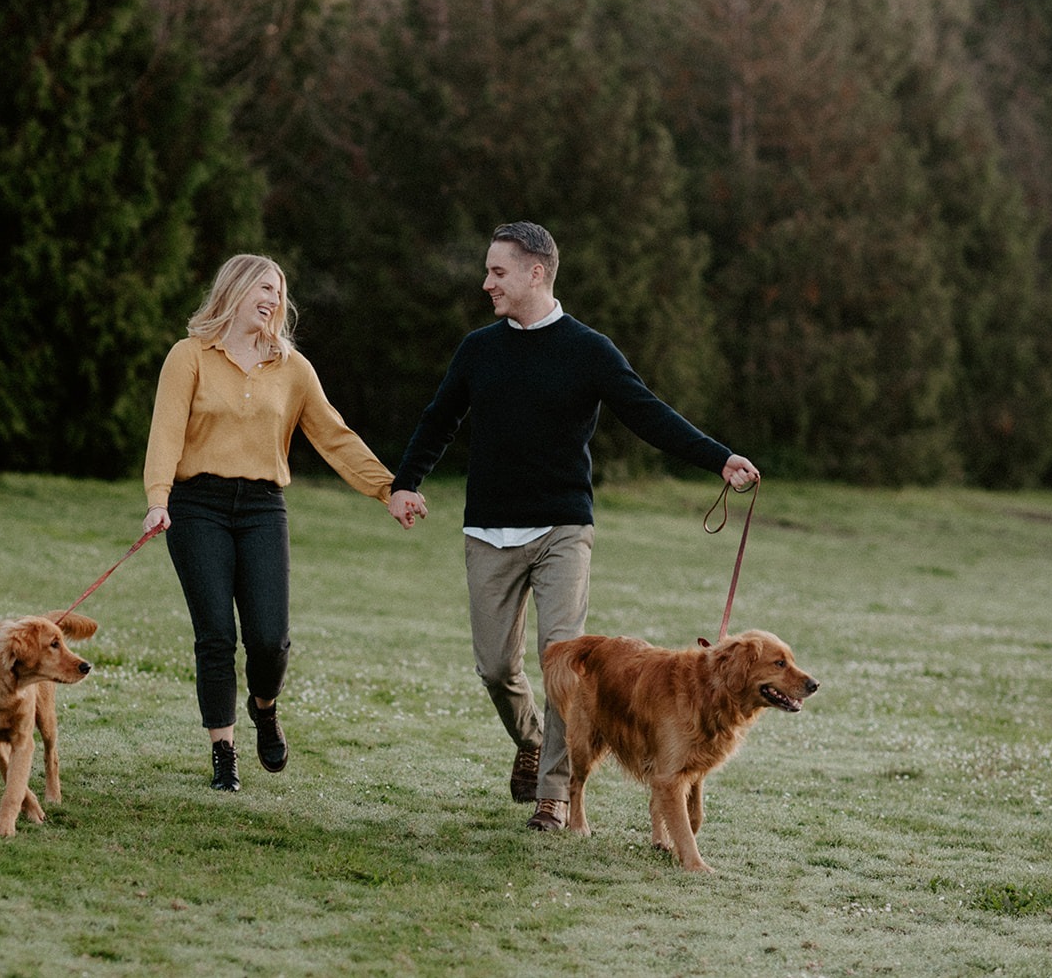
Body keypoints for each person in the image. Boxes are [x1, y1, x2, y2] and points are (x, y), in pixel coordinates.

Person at [385, 221, 759, 831]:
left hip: (563, 528)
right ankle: (532, 738)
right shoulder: (478, 350)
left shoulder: (588, 350)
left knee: (562, 663)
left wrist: (718, 457)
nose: (487, 284)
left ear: (537, 273)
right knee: (495, 668)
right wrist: (407, 482)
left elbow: (647, 413)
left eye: (498, 272)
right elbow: (438, 419)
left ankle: (553, 796)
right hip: (488, 530)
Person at [144, 253, 395, 792]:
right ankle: (224, 753)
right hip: (196, 506)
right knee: (215, 635)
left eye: (279, 292)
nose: (273, 300)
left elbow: (334, 435)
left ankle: (264, 706)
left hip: (262, 507)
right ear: (233, 290)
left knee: (270, 639)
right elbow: (166, 431)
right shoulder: (189, 356)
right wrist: (158, 498)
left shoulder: (293, 368)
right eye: (264, 287)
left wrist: (387, 488)